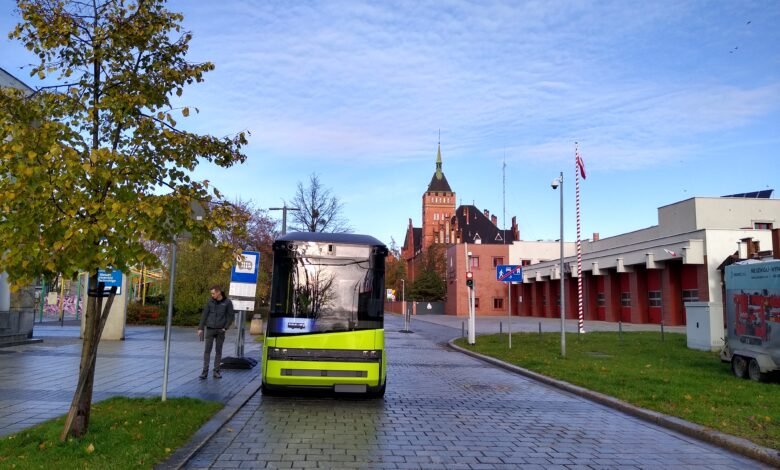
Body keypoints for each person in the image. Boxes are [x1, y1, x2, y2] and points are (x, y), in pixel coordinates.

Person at [197, 285, 234, 379]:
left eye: (213, 293)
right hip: (210, 329)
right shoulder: (210, 302)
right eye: (211, 293)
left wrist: (225, 328)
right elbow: (204, 315)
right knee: (207, 351)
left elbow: (231, 317)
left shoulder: (227, 302)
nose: (212, 295)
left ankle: (216, 371)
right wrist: (200, 328)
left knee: (218, 351)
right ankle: (204, 372)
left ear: (219, 292)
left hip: (221, 330)